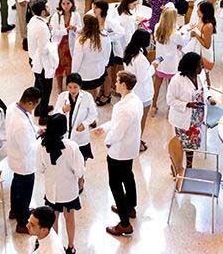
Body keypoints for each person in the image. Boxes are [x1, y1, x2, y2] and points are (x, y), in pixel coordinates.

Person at [92, 71, 142, 237]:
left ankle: (124, 223)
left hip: (119, 151)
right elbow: (117, 123)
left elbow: (118, 132)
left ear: (124, 85)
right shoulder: (134, 100)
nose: (115, 83)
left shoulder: (124, 109)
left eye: (118, 81)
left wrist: (107, 141)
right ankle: (130, 207)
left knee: (115, 184)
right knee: (128, 176)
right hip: (130, 148)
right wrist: (105, 127)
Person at [37, 113, 85, 253]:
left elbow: (40, 168)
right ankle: (71, 247)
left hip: (51, 190)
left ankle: (56, 248)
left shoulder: (42, 145)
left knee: (54, 219)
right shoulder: (71, 146)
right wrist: (81, 182)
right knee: (69, 218)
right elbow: (79, 170)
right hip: (68, 190)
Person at [167, 52, 215, 167]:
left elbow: (203, 89)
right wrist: (187, 104)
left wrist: (209, 97)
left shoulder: (199, 75)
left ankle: (189, 166)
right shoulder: (176, 80)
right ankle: (176, 167)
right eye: (200, 65)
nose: (202, 68)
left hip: (196, 119)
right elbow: (170, 100)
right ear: (191, 66)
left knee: (191, 145)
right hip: (183, 119)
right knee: (181, 146)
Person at [5, 87, 41, 234]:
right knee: (25, 192)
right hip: (24, 163)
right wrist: (41, 141)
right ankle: (22, 220)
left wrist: (36, 130)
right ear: (31, 103)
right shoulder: (21, 125)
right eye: (36, 105)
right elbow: (29, 149)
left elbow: (28, 131)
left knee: (16, 185)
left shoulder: (13, 107)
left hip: (15, 158)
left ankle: (14, 210)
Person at [122, 30, 153, 151]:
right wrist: (153, 67)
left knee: (133, 120)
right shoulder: (141, 59)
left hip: (132, 92)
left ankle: (134, 139)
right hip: (143, 94)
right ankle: (136, 142)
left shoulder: (128, 52)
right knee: (141, 121)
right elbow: (143, 78)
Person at [151, 8, 186, 114]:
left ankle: (153, 105)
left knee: (156, 85)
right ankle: (171, 108)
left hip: (159, 61)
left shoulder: (157, 27)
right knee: (172, 88)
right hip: (172, 64)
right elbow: (182, 43)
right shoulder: (175, 33)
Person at [29, 0, 58, 122]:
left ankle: (39, 108)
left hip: (33, 59)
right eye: (46, 7)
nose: (49, 8)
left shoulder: (33, 20)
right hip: (42, 63)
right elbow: (44, 50)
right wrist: (54, 45)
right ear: (42, 12)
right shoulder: (42, 28)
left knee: (38, 85)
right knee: (46, 89)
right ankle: (43, 116)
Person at [71, 14, 110, 100]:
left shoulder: (81, 40)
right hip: (98, 71)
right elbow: (107, 52)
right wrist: (104, 63)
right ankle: (93, 104)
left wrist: (73, 73)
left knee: (85, 94)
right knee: (95, 88)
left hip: (85, 73)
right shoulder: (104, 35)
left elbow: (77, 59)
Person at [50, 0, 80, 92]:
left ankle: (68, 86)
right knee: (59, 66)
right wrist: (66, 30)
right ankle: (59, 86)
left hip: (71, 45)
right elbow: (54, 32)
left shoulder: (76, 15)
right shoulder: (56, 16)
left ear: (72, 4)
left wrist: (75, 28)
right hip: (60, 44)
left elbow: (80, 29)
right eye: (63, 3)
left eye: (68, 3)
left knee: (70, 66)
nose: (66, 6)